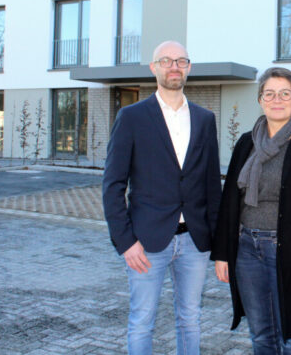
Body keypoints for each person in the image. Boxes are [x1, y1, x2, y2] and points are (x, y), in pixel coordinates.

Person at [102, 41, 221, 355]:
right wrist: (125, 241)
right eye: (166, 61)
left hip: (195, 241)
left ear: (189, 68)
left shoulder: (205, 119)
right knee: (142, 320)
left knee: (190, 319)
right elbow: (112, 184)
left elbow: (212, 186)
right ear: (153, 67)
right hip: (146, 242)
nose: (174, 67)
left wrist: (219, 243)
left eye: (180, 61)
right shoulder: (131, 117)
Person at [212, 67, 291, 355]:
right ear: (260, 100)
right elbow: (230, 199)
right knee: (261, 334)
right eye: (269, 93)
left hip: (289, 251)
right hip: (246, 249)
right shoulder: (246, 142)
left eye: (284, 93)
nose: (276, 99)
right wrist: (222, 253)